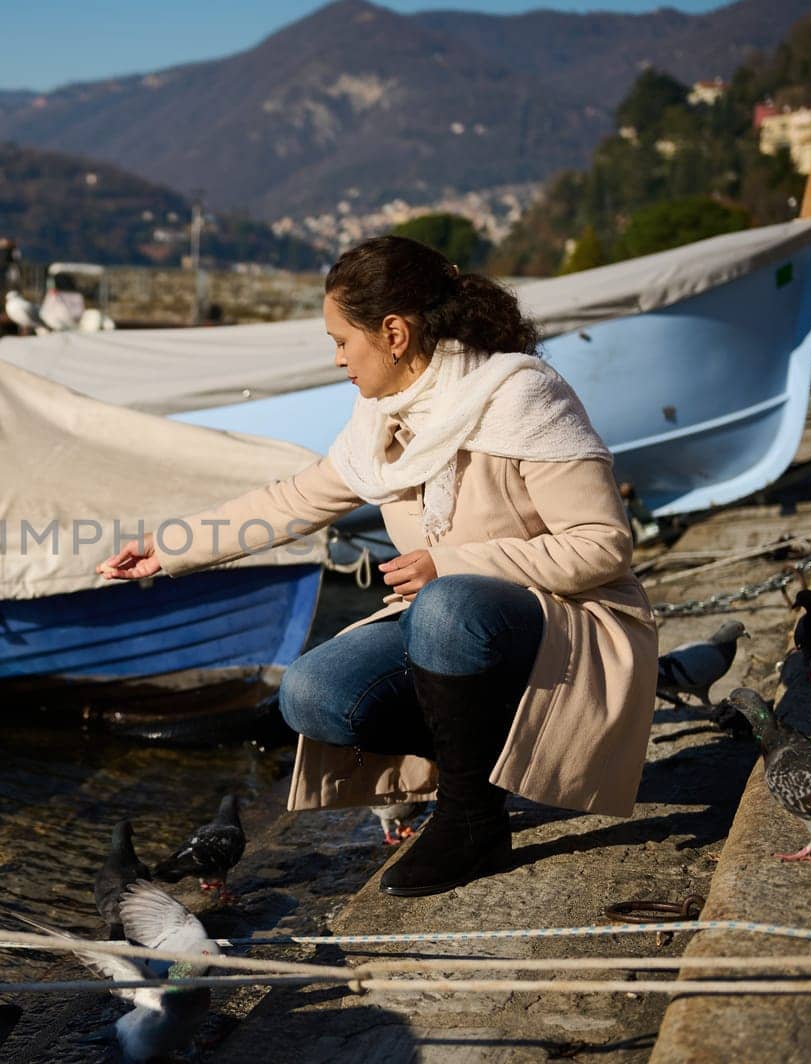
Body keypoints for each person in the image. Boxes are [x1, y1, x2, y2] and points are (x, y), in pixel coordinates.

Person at [97, 236, 658, 897]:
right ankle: (479, 759)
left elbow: (602, 546)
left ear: (394, 332)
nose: (337, 359)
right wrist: (165, 551)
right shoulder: (380, 417)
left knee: (448, 608)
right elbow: (293, 501)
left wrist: (449, 563)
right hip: (451, 632)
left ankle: (471, 817)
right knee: (312, 695)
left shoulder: (521, 397)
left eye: (342, 340)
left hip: (566, 626)